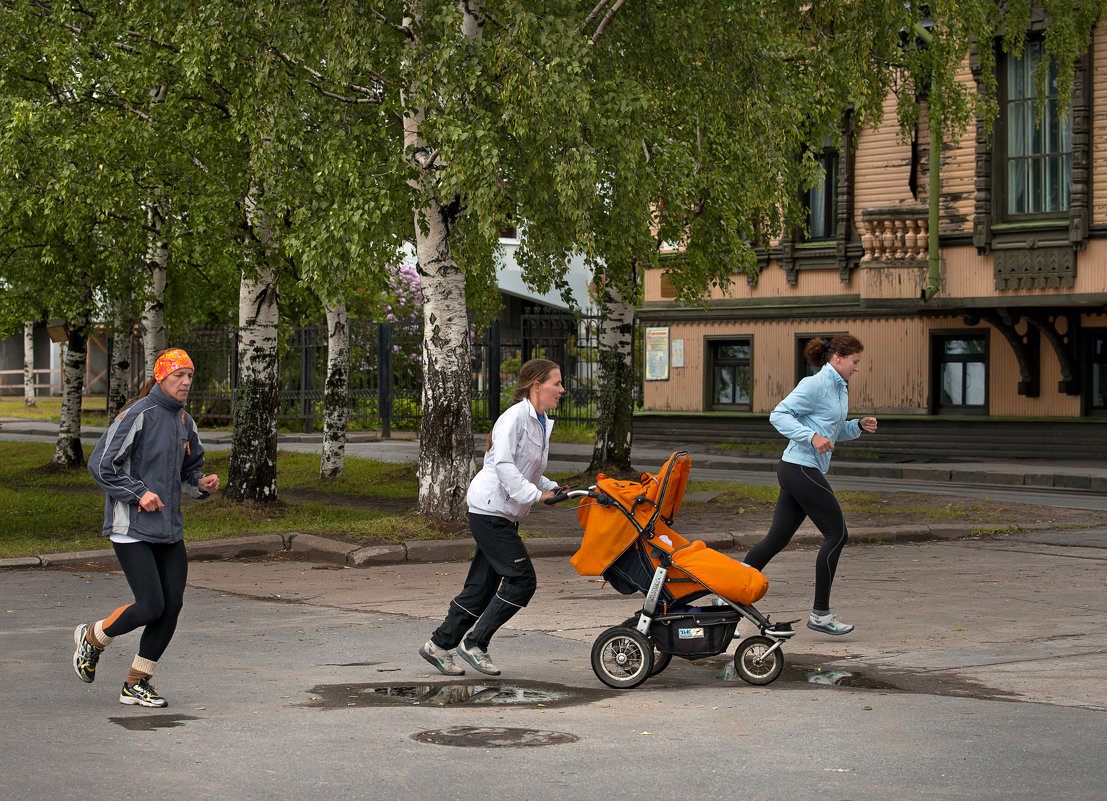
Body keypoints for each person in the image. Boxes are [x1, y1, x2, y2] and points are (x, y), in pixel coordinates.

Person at [72, 348, 219, 707]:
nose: (185, 383)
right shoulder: (138, 414)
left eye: (189, 376)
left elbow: (187, 471)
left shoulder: (184, 421)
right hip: (132, 527)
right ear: (160, 378)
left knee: (172, 607)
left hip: (169, 529)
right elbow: (101, 465)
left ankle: (136, 683)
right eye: (178, 376)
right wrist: (139, 494)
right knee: (151, 605)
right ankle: (94, 637)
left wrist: (200, 484)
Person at [419, 358, 566, 676]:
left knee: (482, 587)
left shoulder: (540, 421)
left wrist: (552, 488)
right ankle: (475, 643)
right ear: (537, 386)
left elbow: (530, 470)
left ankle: (439, 645)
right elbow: (503, 466)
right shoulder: (514, 418)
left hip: (502, 512)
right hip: (490, 510)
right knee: (522, 581)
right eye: (557, 383)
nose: (562, 389)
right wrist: (535, 496)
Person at [743, 334, 877, 636]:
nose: (857, 368)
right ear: (838, 358)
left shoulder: (840, 388)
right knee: (837, 534)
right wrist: (811, 438)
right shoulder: (815, 384)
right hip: (798, 467)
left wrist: (856, 426)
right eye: (855, 362)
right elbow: (778, 415)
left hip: (802, 468)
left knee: (774, 541)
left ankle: (725, 603)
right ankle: (820, 613)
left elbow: (830, 428)